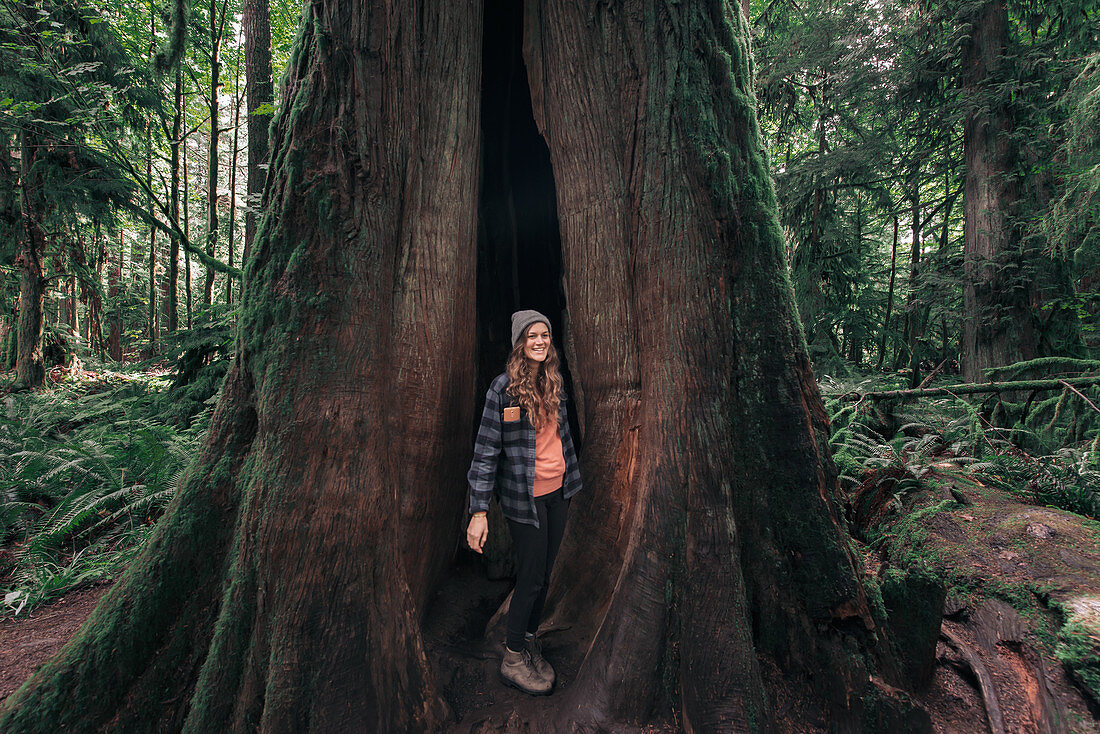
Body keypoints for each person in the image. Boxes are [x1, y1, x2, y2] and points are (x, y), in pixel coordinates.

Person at [466, 310, 583, 696]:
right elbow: (485, 452)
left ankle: (529, 641)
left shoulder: (554, 382)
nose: (540, 341)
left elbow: (562, 437)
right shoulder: (502, 391)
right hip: (525, 499)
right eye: (532, 335)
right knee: (530, 579)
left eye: (545, 335)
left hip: (558, 493)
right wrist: (479, 511)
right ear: (520, 342)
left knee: (545, 576)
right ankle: (513, 656)